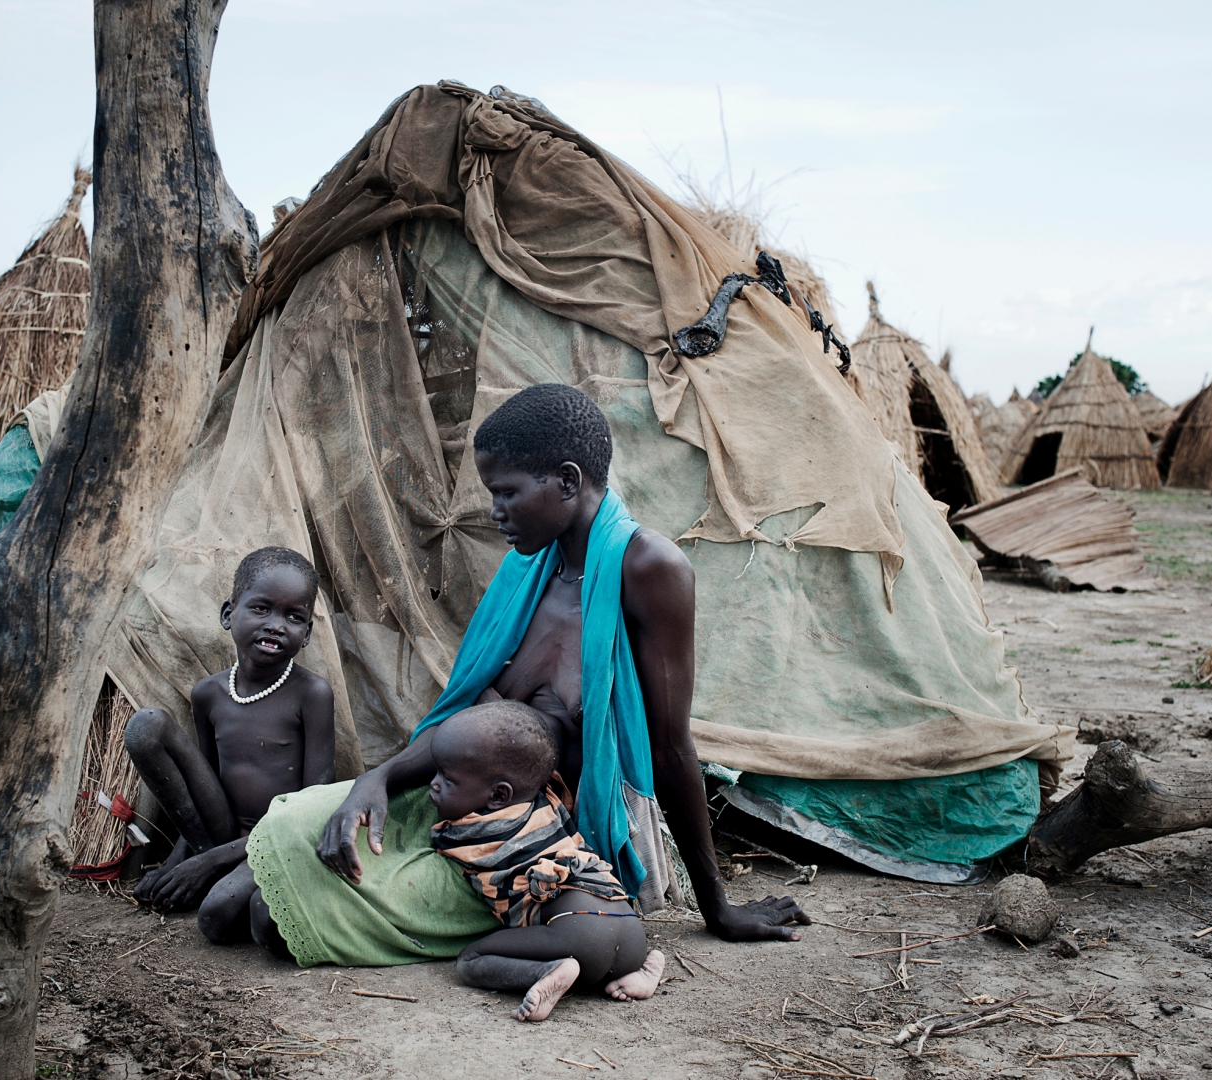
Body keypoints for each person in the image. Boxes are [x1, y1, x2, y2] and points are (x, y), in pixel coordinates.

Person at [242, 383, 809, 969]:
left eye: (507, 492)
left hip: (528, 846)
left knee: (266, 918)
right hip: (455, 799)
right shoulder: (528, 570)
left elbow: (669, 747)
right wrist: (377, 780)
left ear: (566, 481)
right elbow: (474, 724)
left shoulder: (650, 570)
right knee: (286, 843)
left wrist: (718, 906)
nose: (495, 511)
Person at [123, 545, 334, 945]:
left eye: (294, 617)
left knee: (216, 918)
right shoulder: (208, 694)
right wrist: (177, 862)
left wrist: (205, 863)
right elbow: (204, 790)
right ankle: (209, 870)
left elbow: (313, 808)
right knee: (145, 726)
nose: (276, 625)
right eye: (261, 609)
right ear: (227, 614)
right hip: (218, 832)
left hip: (277, 837)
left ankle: (218, 874)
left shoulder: (312, 694)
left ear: (306, 634)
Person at [428, 701, 665, 1022]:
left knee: (471, 959)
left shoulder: (469, 831)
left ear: (499, 796)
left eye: (448, 779)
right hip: (631, 933)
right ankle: (644, 970)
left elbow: (437, 840)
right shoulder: (551, 800)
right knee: (602, 961)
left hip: (577, 934)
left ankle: (549, 970)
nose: (434, 784)